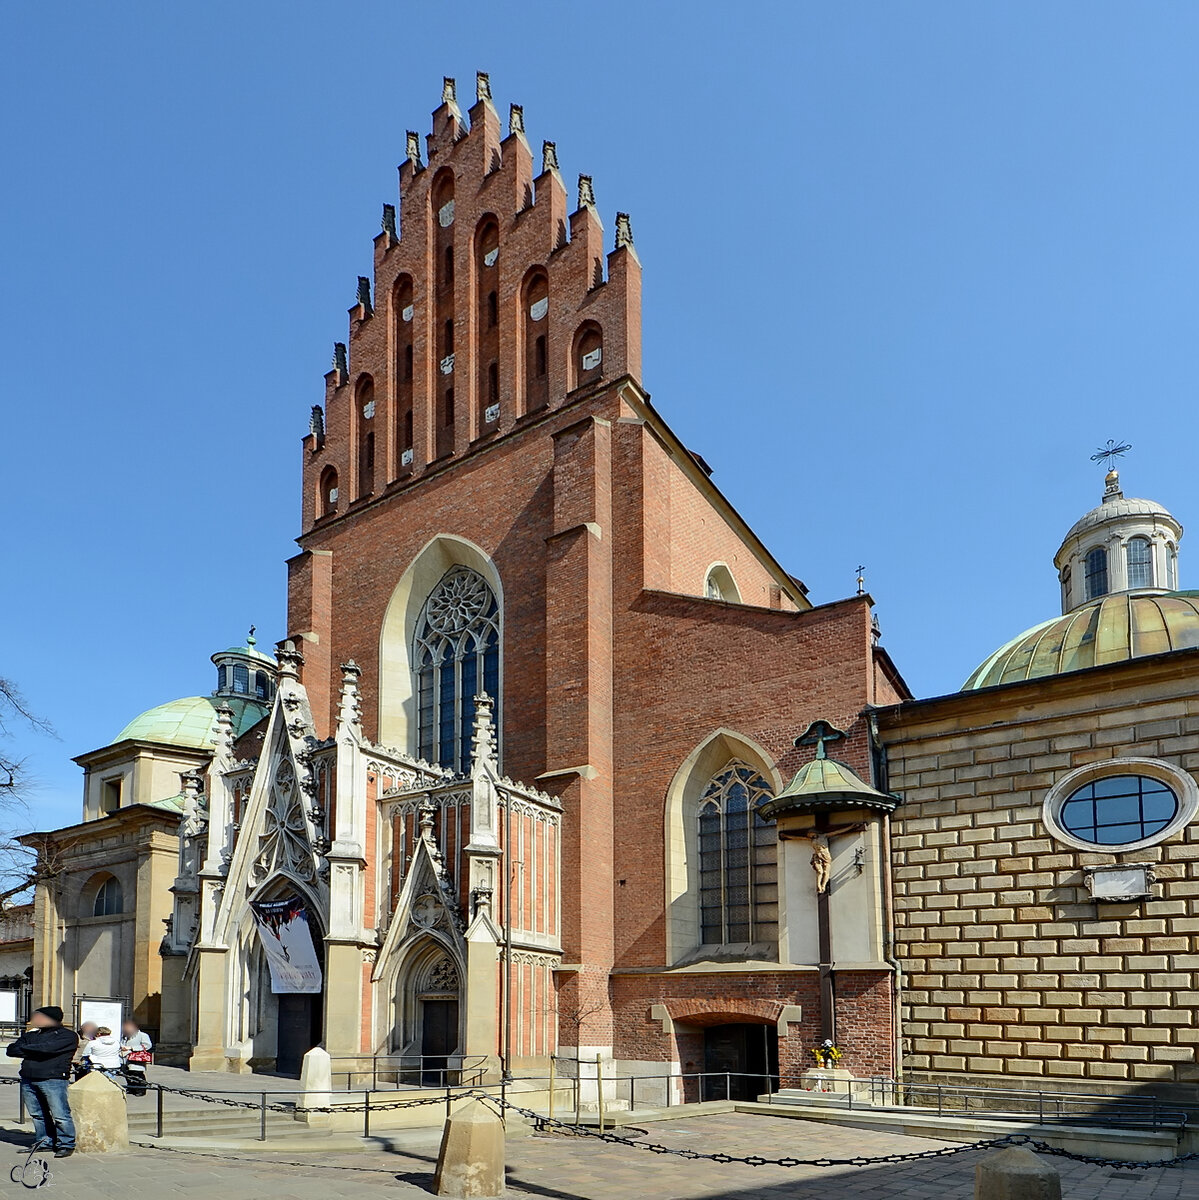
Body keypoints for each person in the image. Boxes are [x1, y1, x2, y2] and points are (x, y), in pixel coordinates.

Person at [5, 1006, 78, 1157]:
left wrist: (28, 1049)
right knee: (37, 1114)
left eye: (40, 1017)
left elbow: (47, 1049)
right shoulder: (32, 1034)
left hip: (53, 1079)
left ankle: (66, 1144)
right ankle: (45, 1142)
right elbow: (11, 1049)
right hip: (29, 1079)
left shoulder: (67, 1036)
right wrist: (34, 1049)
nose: (36, 1019)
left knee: (60, 1114)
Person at [120, 1020, 152, 1097]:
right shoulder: (124, 1035)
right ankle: (131, 1088)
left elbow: (147, 1045)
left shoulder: (142, 1035)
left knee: (137, 1074)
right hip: (125, 1058)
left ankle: (141, 1090)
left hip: (137, 1059)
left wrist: (131, 1048)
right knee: (127, 1074)